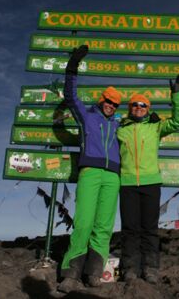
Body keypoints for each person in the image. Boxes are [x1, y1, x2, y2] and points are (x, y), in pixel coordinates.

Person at [58, 45, 122, 293]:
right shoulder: (87, 116)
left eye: (115, 104)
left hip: (113, 176)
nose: (111, 106)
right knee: (83, 223)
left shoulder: (118, 124)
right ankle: (71, 273)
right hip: (90, 173)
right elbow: (70, 95)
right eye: (108, 101)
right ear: (101, 100)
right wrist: (73, 65)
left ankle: (93, 273)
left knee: (104, 226)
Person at [117, 74, 179, 284]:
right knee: (130, 229)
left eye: (143, 105)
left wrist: (177, 95)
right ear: (130, 108)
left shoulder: (156, 127)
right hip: (127, 184)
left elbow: (178, 121)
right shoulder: (120, 128)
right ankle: (129, 269)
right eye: (135, 105)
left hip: (151, 183)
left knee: (149, 228)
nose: (139, 107)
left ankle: (151, 268)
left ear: (148, 108)